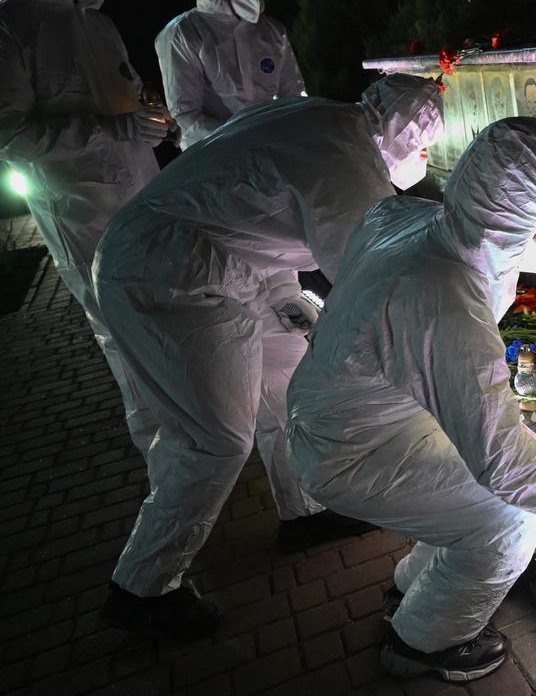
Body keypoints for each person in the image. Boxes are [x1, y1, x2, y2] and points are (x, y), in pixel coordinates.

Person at [285, 117, 536, 682]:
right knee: (509, 517)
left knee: (461, 481)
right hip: (350, 453)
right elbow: (508, 469)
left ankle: (413, 590)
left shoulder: (407, 218)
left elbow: (484, 252)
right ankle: (422, 644)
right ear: (515, 216)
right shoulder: (446, 306)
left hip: (345, 413)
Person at [95, 74, 444, 639]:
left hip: (225, 268)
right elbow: (370, 275)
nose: (426, 161)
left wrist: (292, 306)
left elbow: (263, 213)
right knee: (212, 440)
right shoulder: (348, 161)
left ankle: (306, 511)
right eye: (424, 148)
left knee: (284, 381)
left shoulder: (326, 119)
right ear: (400, 137)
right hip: (171, 279)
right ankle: (142, 588)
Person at [0, 0, 165, 455]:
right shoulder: (12, 25)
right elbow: (11, 135)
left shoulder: (99, 25)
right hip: (79, 210)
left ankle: (205, 432)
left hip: (142, 194)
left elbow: (124, 94)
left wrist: (146, 123)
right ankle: (167, 458)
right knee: (123, 331)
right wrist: (111, 131)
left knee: (168, 313)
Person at [156, 0, 306, 151]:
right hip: (212, 152)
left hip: (270, 148)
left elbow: (293, 94)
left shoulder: (272, 31)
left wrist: (293, 132)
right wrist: (244, 137)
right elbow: (186, 115)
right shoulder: (185, 32)